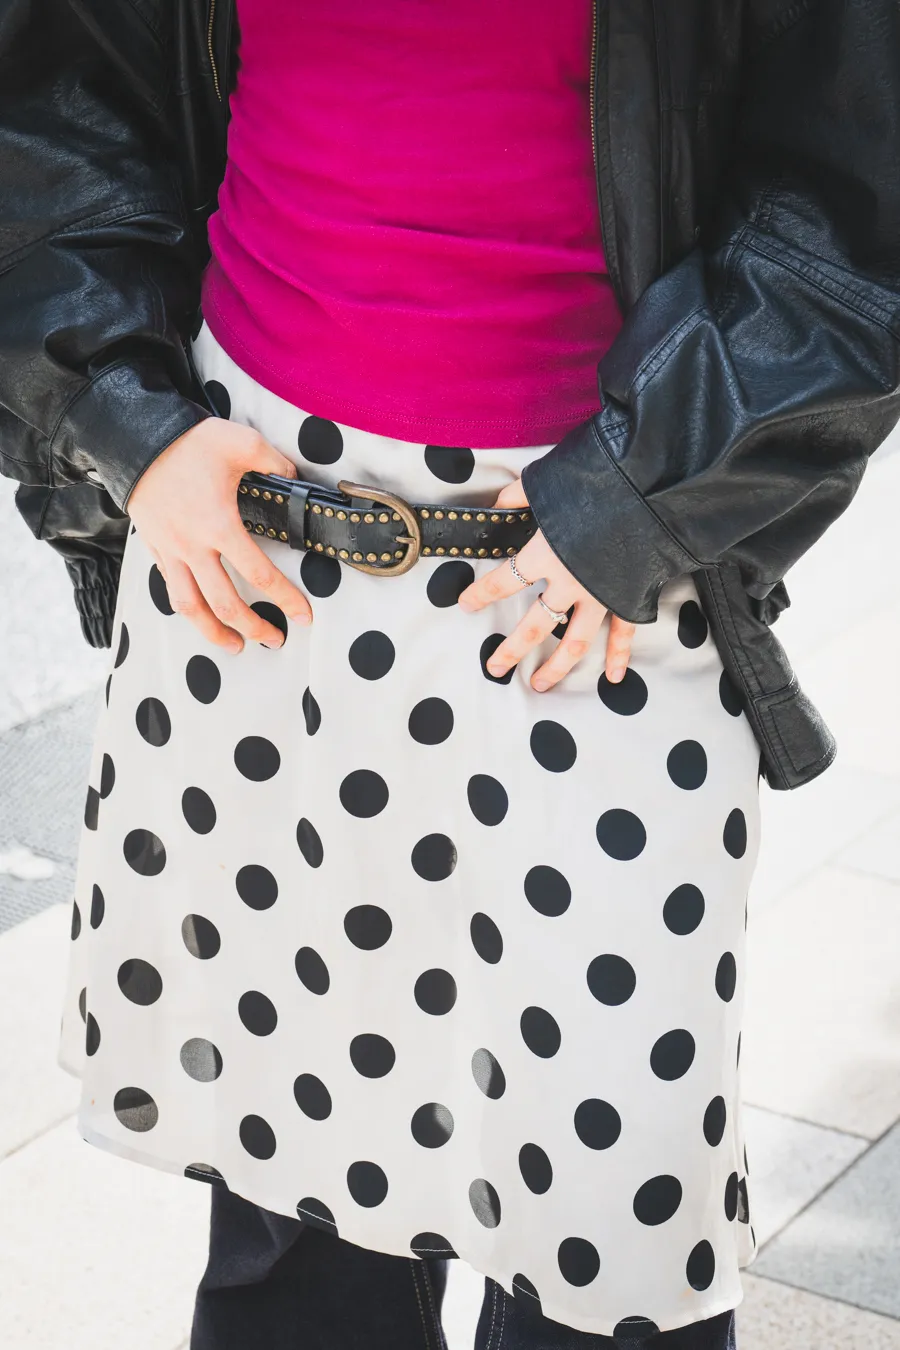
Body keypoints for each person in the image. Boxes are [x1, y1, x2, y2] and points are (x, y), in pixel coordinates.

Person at [1, 2, 898, 1348]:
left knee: (604, 1217)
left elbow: (858, 202)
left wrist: (645, 497)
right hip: (244, 533)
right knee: (291, 1221)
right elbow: (57, 90)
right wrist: (121, 417)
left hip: (600, 566)